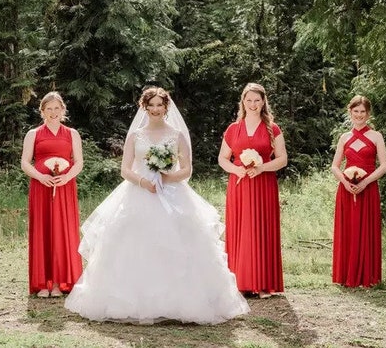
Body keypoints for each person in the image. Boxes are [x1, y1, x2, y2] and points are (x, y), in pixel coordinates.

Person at [65, 86, 250, 324]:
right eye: (150, 105)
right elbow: (125, 169)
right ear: (144, 107)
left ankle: (178, 302)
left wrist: (167, 177)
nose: (155, 109)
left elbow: (186, 169)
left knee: (179, 243)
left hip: (172, 193)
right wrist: (143, 181)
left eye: (159, 105)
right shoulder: (135, 135)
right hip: (138, 192)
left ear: (166, 108)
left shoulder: (176, 135)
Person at [218, 82, 287, 299]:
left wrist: (262, 167)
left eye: (257, 100)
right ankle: (241, 282)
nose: (253, 104)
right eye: (249, 100)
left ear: (263, 101)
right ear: (243, 102)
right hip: (239, 186)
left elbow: (283, 159)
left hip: (264, 185)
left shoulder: (273, 128)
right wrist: (236, 170)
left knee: (261, 229)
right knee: (241, 230)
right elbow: (222, 158)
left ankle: (263, 283)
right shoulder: (233, 129)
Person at [21, 91, 84, 298]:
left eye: (57, 108)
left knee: (61, 230)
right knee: (43, 229)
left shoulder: (72, 133)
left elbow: (79, 162)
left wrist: (66, 178)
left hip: (64, 186)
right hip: (41, 186)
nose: (53, 112)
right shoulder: (33, 134)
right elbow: (24, 162)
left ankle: (58, 283)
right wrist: (40, 177)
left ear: (63, 110)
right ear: (42, 111)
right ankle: (43, 283)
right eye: (49, 109)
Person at [331, 95, 386, 287]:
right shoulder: (344, 137)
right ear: (350, 112)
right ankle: (346, 274)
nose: (359, 115)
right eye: (356, 111)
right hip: (347, 189)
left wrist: (366, 182)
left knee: (366, 229)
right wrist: (345, 182)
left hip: (368, 188)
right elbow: (334, 166)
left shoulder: (376, 136)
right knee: (348, 229)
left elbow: (384, 166)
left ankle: (367, 276)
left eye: (363, 112)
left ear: (368, 114)